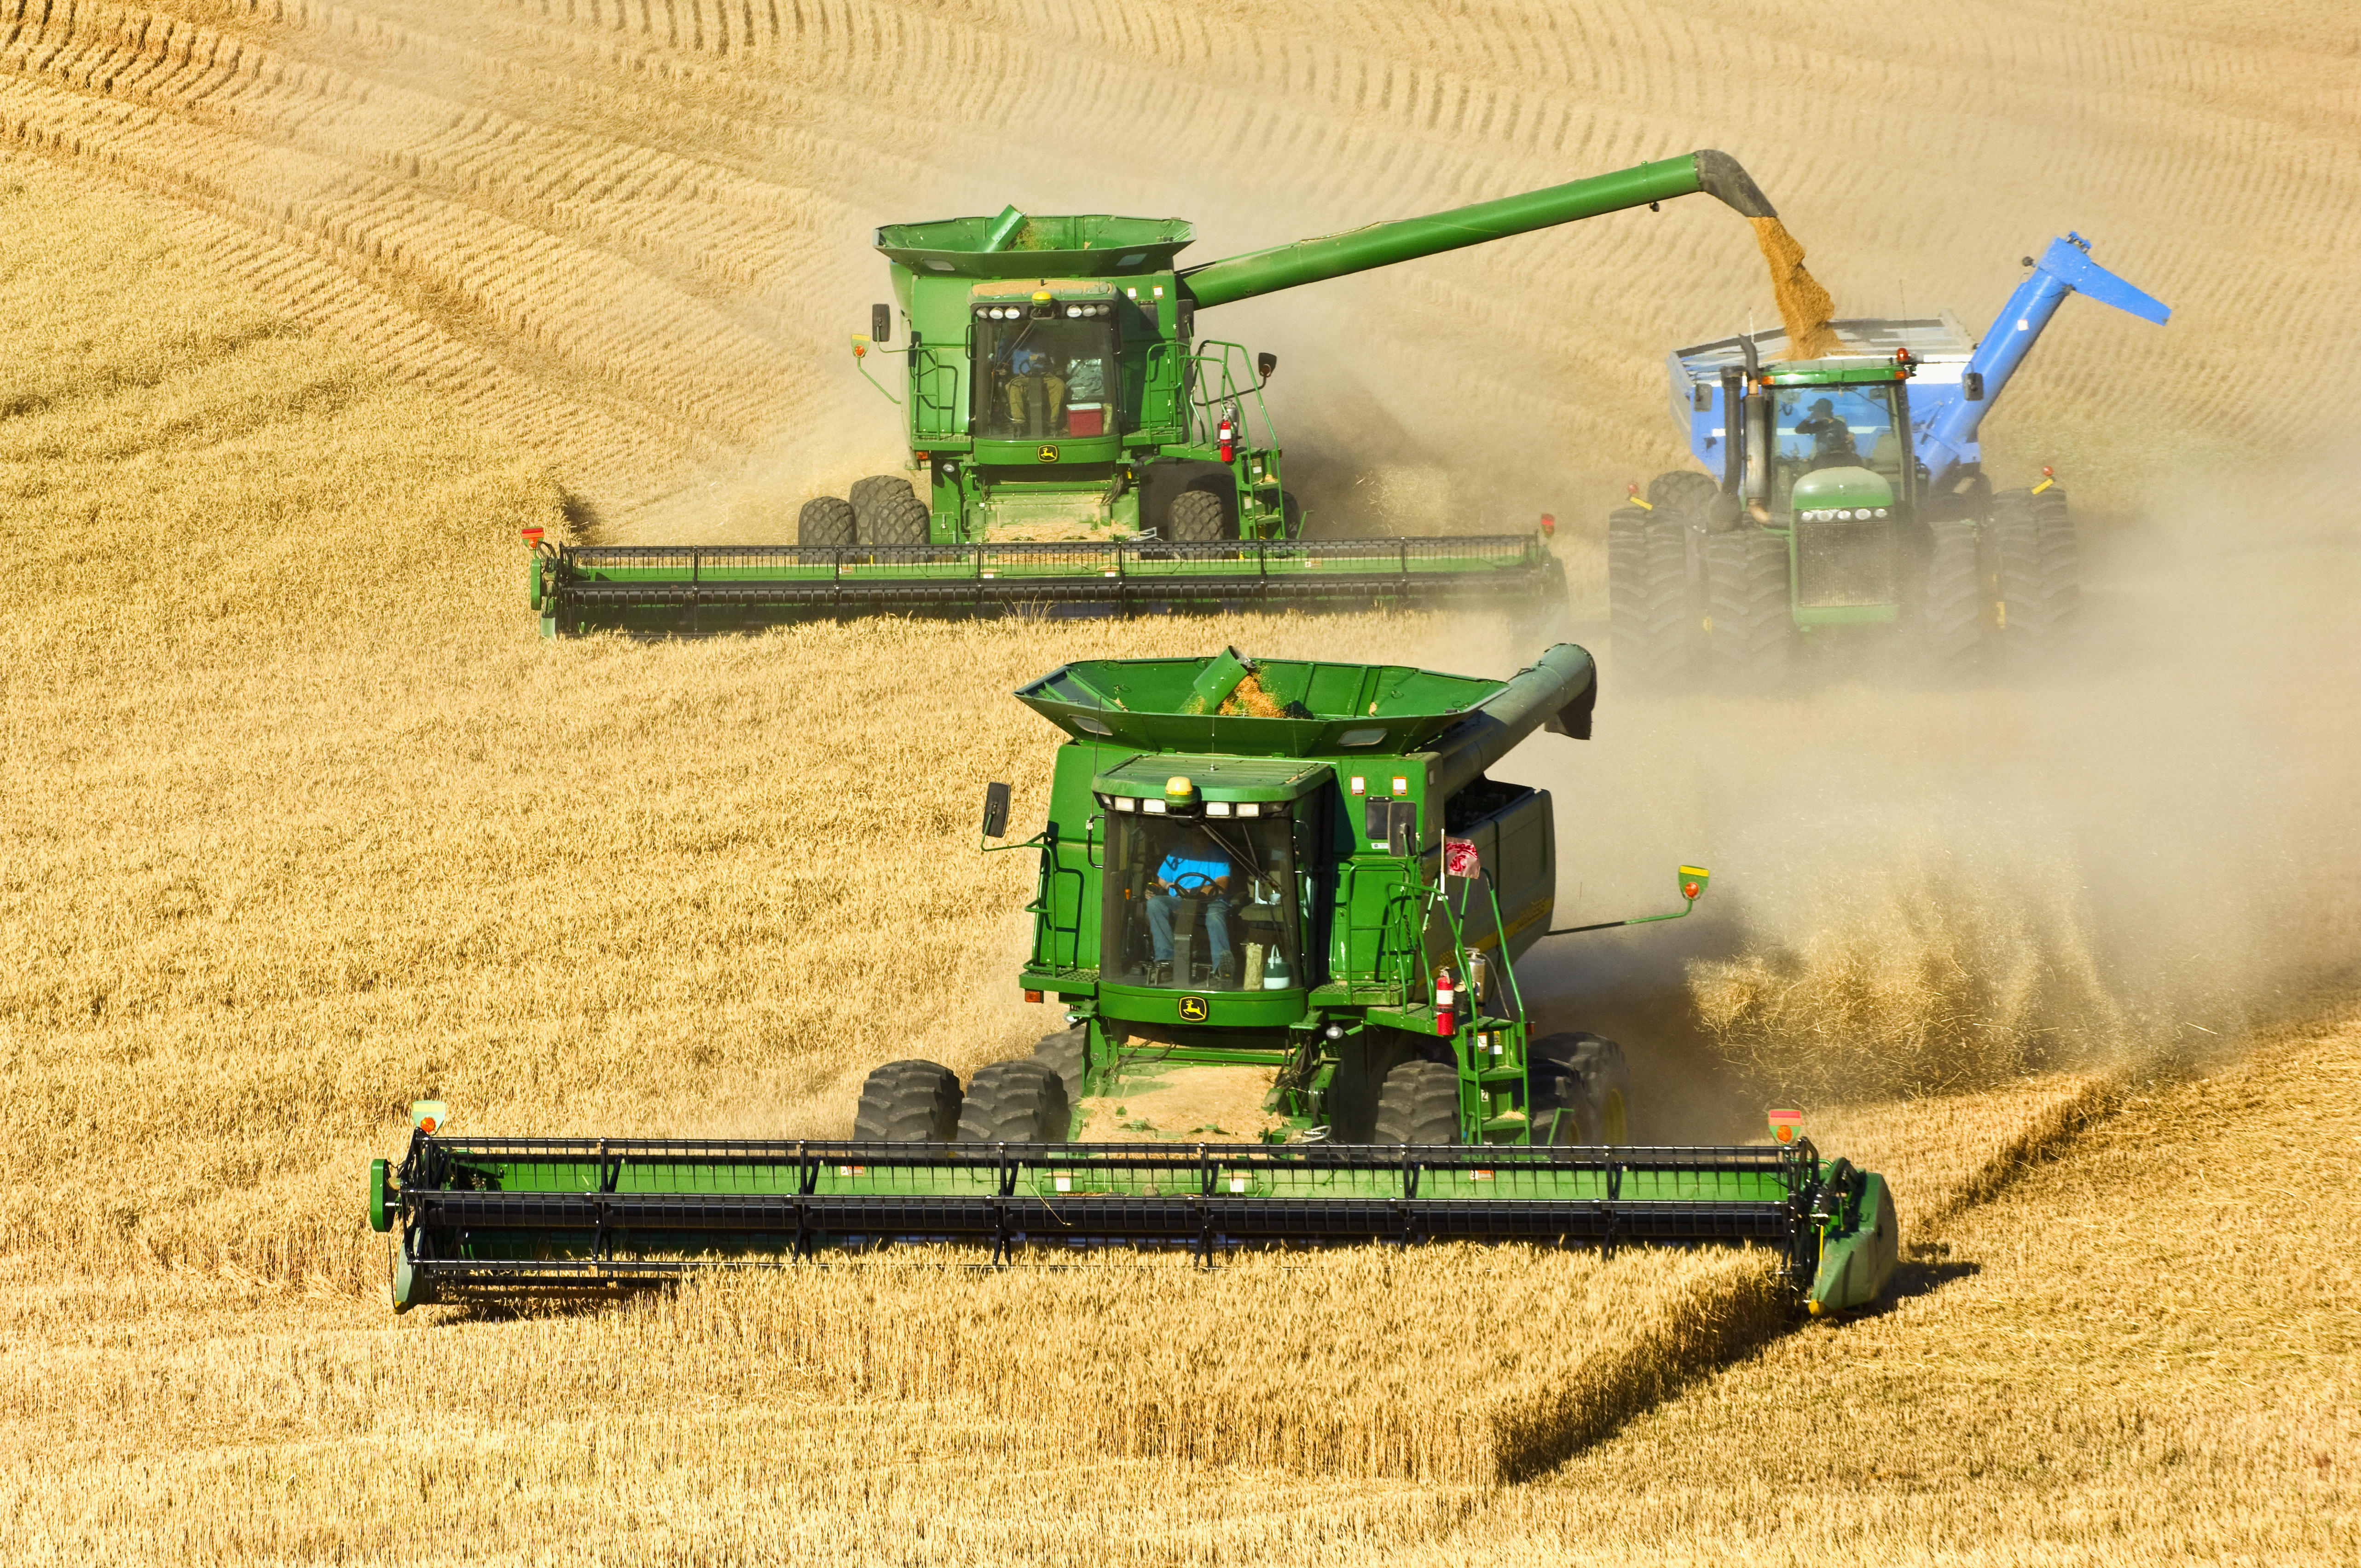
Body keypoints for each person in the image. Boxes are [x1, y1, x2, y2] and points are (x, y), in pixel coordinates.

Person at [1145, 829, 1233, 982]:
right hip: (1180, 901)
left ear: (1211, 836)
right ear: (1191, 835)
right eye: (1197, 834)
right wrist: (1154, 889)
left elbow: (1221, 885)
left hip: (1211, 902)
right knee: (1155, 904)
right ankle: (1166, 962)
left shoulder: (1220, 856)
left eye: (1204, 835)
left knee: (1215, 919)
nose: (1200, 838)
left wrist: (1192, 891)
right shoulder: (1176, 855)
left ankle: (1222, 971)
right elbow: (1161, 882)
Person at [1005, 340, 1066, 438]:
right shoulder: (1012, 344)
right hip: (1024, 376)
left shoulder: (1046, 342)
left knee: (1059, 385)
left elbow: (1053, 362)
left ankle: (1053, 423)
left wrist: (1041, 359)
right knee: (1013, 385)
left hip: (1045, 375)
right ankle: (1019, 423)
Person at [1794, 397, 1858, 469]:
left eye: (1815, 412)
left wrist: (1811, 417)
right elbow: (1799, 430)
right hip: (1826, 462)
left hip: (1833, 462)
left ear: (1822, 412)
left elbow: (1849, 446)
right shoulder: (1820, 425)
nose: (1814, 414)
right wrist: (1811, 417)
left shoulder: (1838, 425)